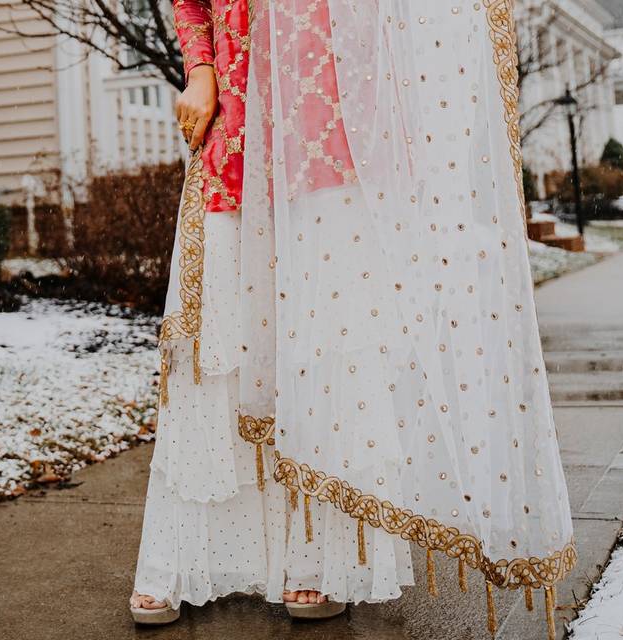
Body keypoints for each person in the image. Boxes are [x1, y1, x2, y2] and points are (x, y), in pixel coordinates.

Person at [130, 1, 577, 637]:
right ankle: (176, 562)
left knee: (325, 357)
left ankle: (314, 560)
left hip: (336, 147)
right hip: (237, 137)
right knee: (218, 354)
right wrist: (199, 69)